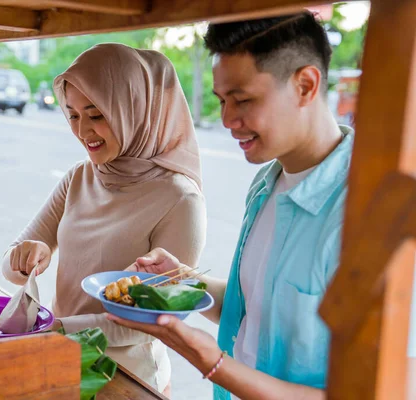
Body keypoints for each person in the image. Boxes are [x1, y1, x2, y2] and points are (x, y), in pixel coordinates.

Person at [110, 11, 353, 399]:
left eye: (242, 100)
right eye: (222, 100)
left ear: (305, 85)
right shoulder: (266, 183)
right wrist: (184, 281)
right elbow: (254, 310)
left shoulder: (368, 214)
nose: (226, 119)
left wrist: (213, 363)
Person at [1, 43, 207, 394]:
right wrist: (25, 258)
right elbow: (10, 266)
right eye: (73, 115)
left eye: (96, 115)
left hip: (127, 378)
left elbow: (151, 320)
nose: (83, 132)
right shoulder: (79, 177)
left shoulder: (179, 199)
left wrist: (57, 328)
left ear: (135, 111)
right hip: (62, 361)